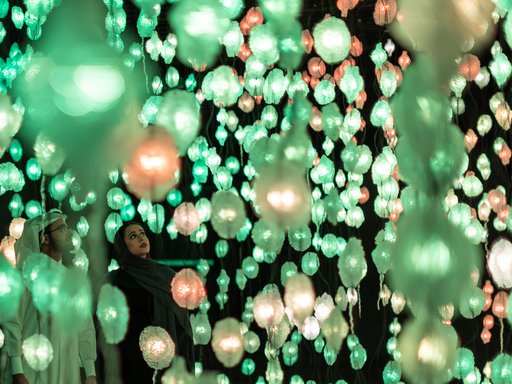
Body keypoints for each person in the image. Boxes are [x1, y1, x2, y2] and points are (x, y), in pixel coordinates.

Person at [2, 209, 97, 384]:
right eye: (62, 228)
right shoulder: (27, 274)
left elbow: (85, 327)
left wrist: (90, 373)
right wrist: (17, 371)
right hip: (32, 370)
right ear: (44, 238)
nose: (69, 233)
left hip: (69, 369)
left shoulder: (72, 279)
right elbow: (12, 321)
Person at [98, 221, 194, 384]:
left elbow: (181, 320)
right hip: (126, 364)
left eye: (142, 233)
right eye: (133, 236)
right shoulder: (113, 281)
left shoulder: (166, 276)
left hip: (163, 360)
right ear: (123, 246)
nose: (141, 238)